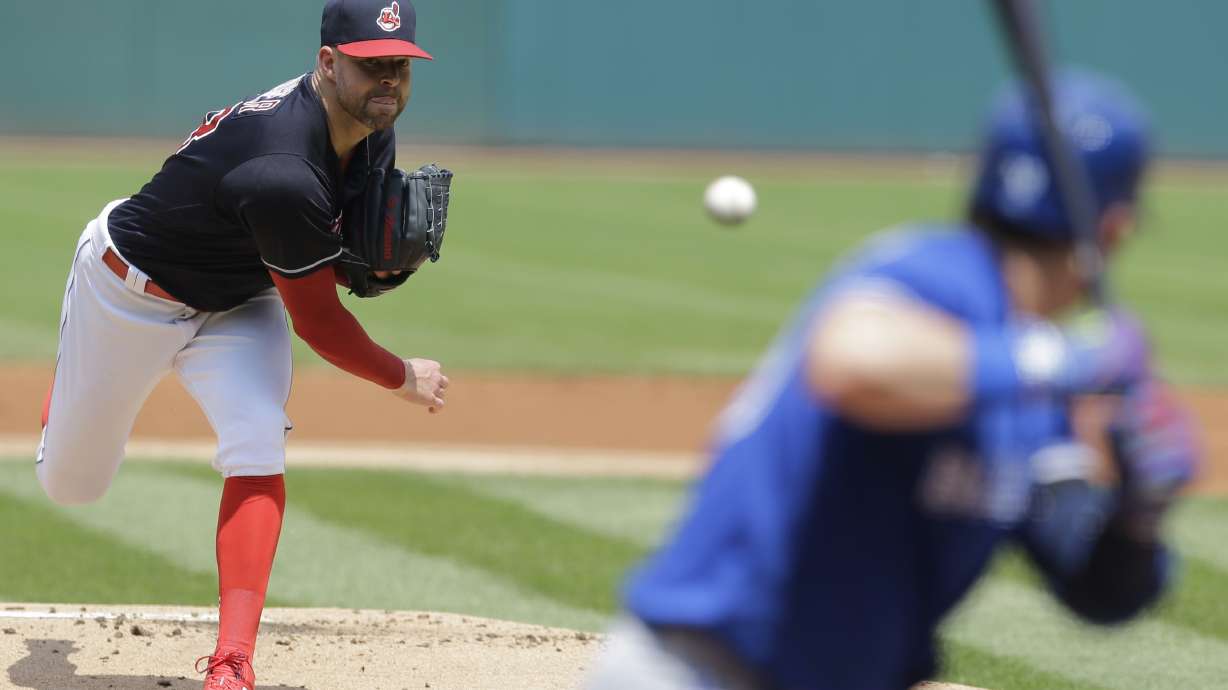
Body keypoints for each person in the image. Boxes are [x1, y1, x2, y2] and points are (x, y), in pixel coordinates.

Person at [585, 69, 1201, 690]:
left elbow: (1095, 592)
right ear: (1115, 227)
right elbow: (852, 363)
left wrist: (1137, 516)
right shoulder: (931, 275)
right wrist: (1062, 358)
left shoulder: (1033, 394)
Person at [36, 1, 447, 688]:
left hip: (238, 300)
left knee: (257, 438)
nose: (389, 81)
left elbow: (329, 246)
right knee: (72, 486)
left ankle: (232, 664)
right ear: (327, 63)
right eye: (371, 65)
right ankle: (70, 383)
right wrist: (401, 375)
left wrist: (362, 263)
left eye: (400, 65)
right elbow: (319, 325)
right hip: (125, 293)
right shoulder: (280, 166)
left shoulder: (371, 122)